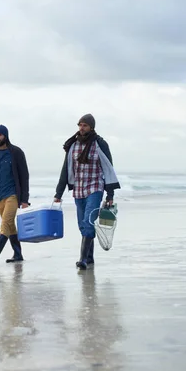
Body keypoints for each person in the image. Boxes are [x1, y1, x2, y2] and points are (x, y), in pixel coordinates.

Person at [54, 114, 120, 270]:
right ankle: (89, 258)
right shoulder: (73, 146)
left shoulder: (99, 144)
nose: (81, 128)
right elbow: (66, 170)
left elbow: (108, 169)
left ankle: (82, 259)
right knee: (82, 225)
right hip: (78, 189)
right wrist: (58, 193)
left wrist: (110, 195)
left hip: (95, 187)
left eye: (84, 125)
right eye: (80, 125)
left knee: (89, 222)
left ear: (91, 127)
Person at [0, 124, 30, 266]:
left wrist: (24, 199)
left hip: (12, 195)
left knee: (5, 224)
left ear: (5, 136)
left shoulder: (16, 152)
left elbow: (24, 176)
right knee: (10, 226)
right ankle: (18, 253)